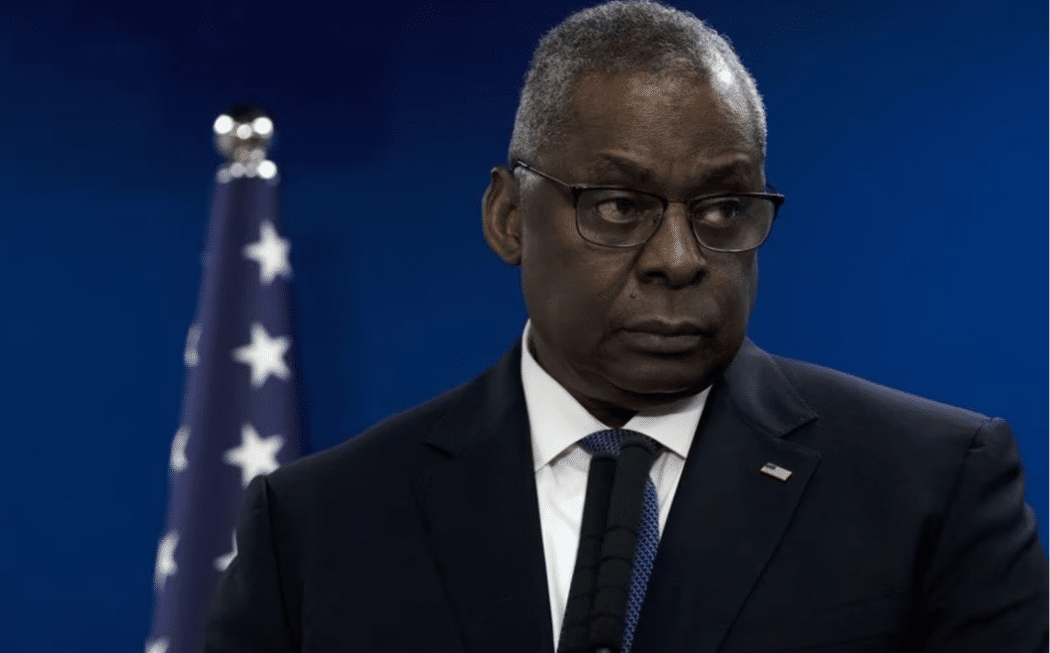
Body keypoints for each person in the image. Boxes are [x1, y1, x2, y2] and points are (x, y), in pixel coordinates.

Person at [204, 2, 1049, 651]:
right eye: (618, 205)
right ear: (508, 217)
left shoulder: (934, 487)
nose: (679, 258)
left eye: (722, 207)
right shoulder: (317, 525)